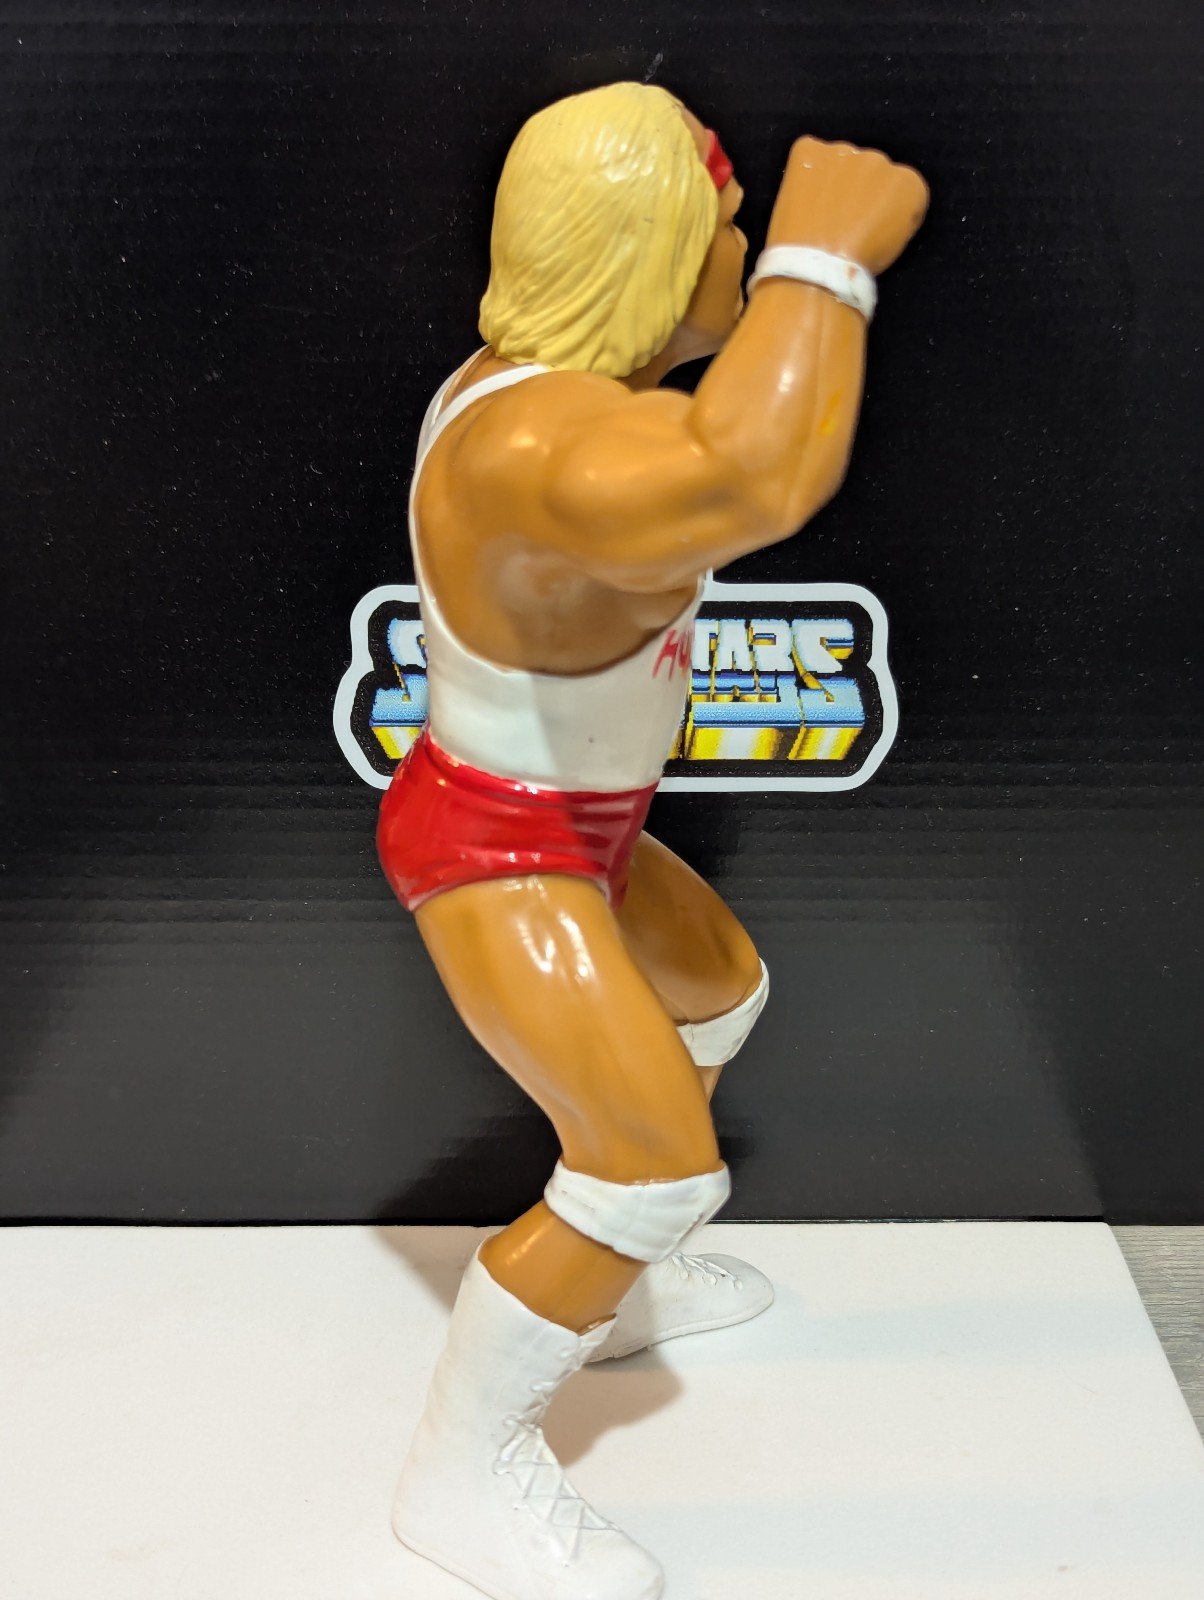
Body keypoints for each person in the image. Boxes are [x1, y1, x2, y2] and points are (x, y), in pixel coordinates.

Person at [378, 81, 928, 1600]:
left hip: (590, 827)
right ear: (659, 248)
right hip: (500, 848)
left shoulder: (553, 393)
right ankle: (458, 1475)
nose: (741, 245)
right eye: (730, 226)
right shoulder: (538, 447)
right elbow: (751, 475)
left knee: (718, 1001)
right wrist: (824, 262)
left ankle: (609, 1302)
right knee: (648, 1174)